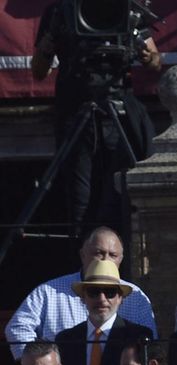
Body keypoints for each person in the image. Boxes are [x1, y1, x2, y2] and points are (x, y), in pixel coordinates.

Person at [29, 0, 160, 232]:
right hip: (76, 109)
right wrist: (48, 46)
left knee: (119, 188)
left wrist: (147, 55)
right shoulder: (61, 10)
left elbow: (155, 62)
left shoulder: (126, 8)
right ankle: (82, 257)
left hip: (117, 110)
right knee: (80, 196)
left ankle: (121, 254)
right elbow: (39, 71)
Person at [5, 228, 157, 354]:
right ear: (83, 255)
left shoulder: (136, 296)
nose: (105, 260)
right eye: (98, 253)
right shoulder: (49, 292)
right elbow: (18, 328)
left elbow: (148, 344)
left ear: (121, 259)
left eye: (113, 255)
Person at [54, 261, 156, 365]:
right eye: (94, 292)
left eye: (109, 292)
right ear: (83, 297)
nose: (102, 299)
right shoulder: (66, 340)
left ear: (120, 298)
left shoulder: (139, 336)